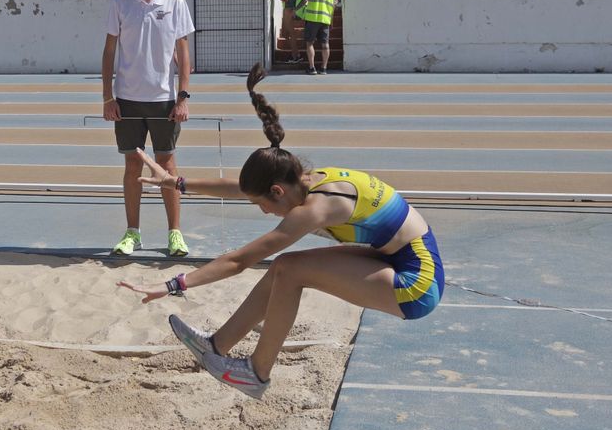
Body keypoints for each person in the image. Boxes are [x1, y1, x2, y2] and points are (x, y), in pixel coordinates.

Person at [118, 64, 446, 399]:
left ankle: (257, 372)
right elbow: (239, 188)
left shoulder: (316, 209)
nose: (263, 211)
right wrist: (178, 182)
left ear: (277, 191)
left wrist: (173, 285)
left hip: (417, 284)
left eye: (264, 204)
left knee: (290, 269)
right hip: (396, 256)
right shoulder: (307, 179)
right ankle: (216, 346)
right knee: (281, 268)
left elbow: (240, 261)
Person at [102, 0, 195, 258]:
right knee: (132, 166)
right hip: (127, 99)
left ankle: (175, 234)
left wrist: (182, 97)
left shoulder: (175, 2)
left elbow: (183, 55)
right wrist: (107, 97)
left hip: (163, 99)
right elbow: (109, 52)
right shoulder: (120, 1)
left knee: (167, 165)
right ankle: (132, 233)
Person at [298, 0, 336, 75]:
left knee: (309, 43)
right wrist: (331, 20)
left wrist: (297, 9)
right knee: (325, 44)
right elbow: (332, 6)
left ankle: (312, 68)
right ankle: (324, 68)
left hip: (313, 19)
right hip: (325, 20)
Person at [270, 0, 307, 64]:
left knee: (291, 34)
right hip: (290, 9)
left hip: (288, 10)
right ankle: (295, 55)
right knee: (288, 34)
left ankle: (296, 56)